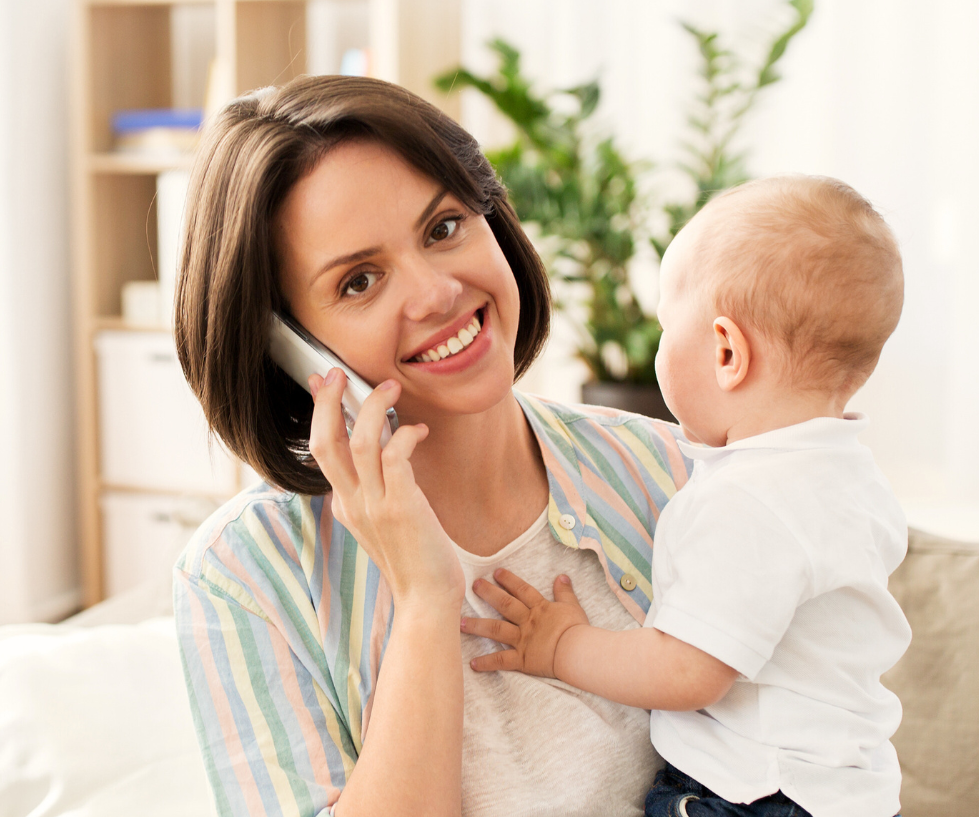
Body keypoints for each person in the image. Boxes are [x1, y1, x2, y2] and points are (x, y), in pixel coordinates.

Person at [171, 75, 694, 817]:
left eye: (443, 228)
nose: (436, 293)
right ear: (288, 347)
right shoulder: (244, 575)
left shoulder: (668, 472)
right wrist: (423, 599)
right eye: (359, 281)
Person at [461, 176, 910, 817]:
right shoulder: (847, 477)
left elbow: (685, 671)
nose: (660, 346)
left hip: (756, 797)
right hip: (843, 792)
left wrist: (562, 647)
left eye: (669, 326)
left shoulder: (751, 501)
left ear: (726, 351)